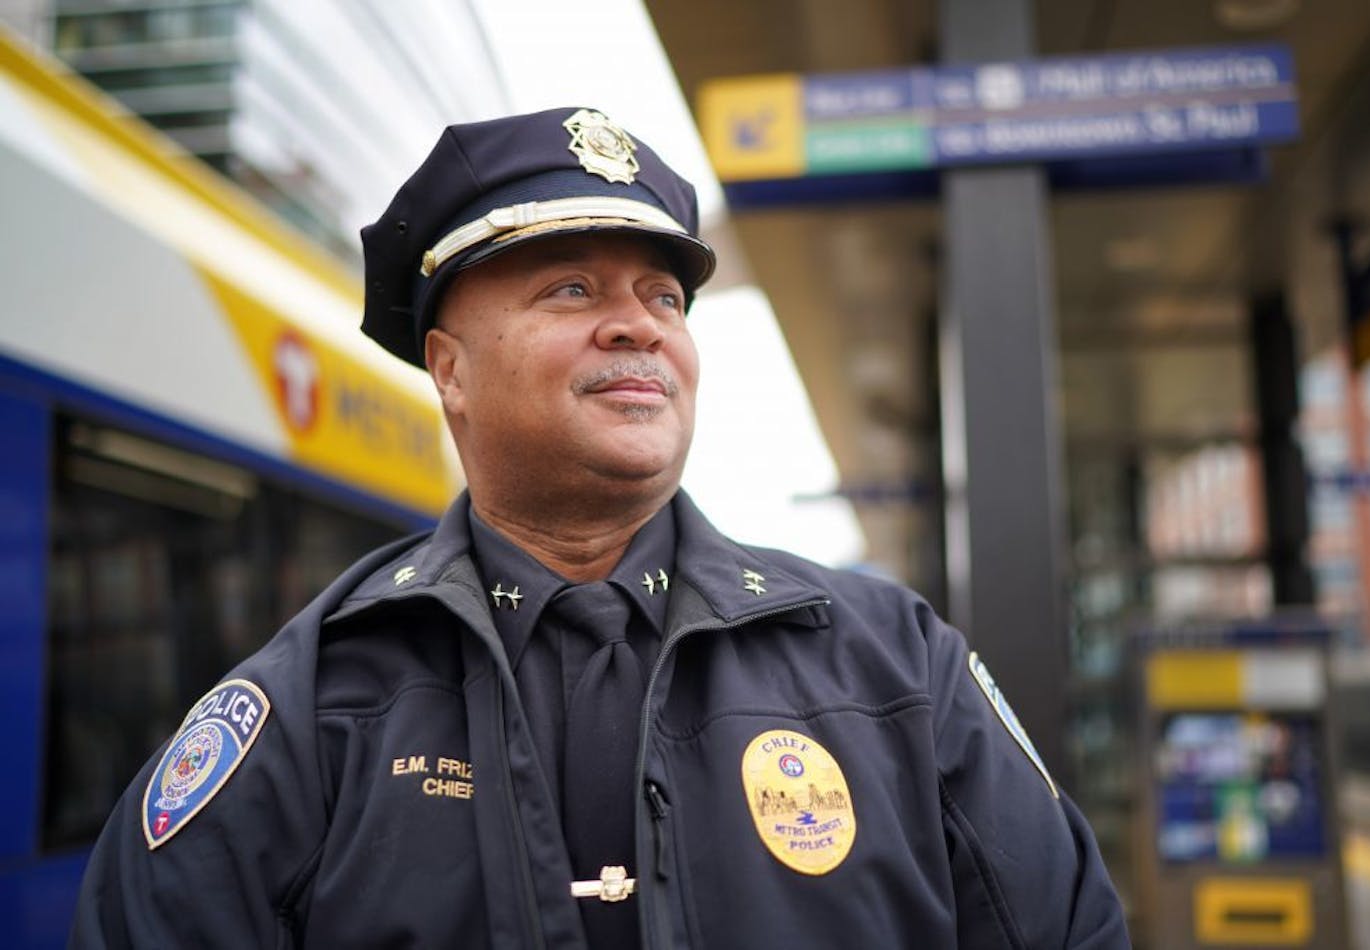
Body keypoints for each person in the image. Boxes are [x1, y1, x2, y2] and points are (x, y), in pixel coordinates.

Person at [71, 107, 1129, 949]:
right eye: (571, 286)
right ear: (451, 370)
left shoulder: (894, 661)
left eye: (663, 296)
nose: (637, 324)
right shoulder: (305, 705)